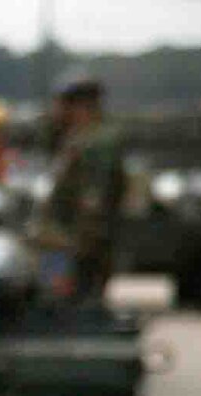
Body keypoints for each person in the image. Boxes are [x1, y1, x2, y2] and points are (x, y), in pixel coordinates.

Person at [32, 68, 126, 303]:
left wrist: (79, 239)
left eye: (62, 105)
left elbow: (95, 195)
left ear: (80, 107)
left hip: (76, 240)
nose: (57, 111)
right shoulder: (77, 137)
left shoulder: (97, 142)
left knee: (70, 302)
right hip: (68, 238)